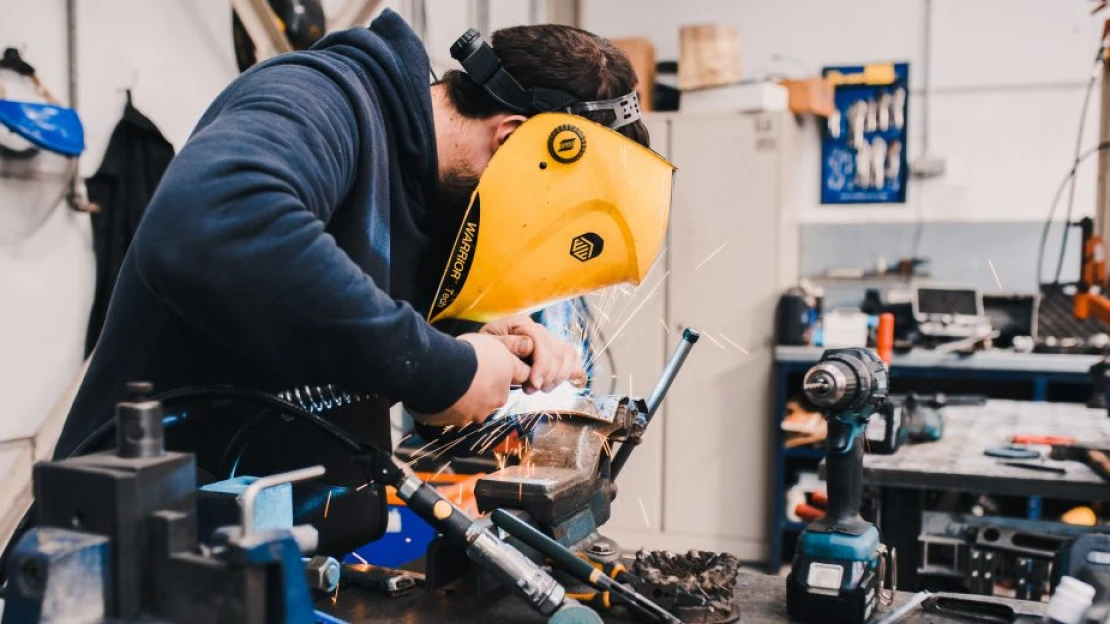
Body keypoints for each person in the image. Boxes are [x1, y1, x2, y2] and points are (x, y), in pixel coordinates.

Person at [53, 9, 650, 466]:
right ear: (511, 139)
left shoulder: (437, 199)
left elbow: (359, 323)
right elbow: (212, 224)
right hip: (132, 558)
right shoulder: (325, 99)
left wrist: (470, 338)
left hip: (291, 557)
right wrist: (439, 366)